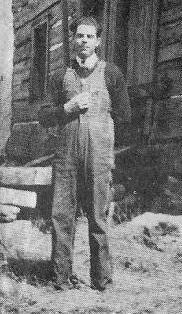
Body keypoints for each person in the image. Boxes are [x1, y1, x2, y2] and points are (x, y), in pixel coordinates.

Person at [39, 16, 131, 291]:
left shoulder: (111, 73)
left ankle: (101, 280)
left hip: (99, 158)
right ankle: (61, 278)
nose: (84, 41)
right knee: (62, 216)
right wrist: (66, 109)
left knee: (98, 218)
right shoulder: (59, 77)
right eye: (80, 36)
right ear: (73, 40)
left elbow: (125, 115)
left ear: (98, 42)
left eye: (90, 37)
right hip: (66, 158)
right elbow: (44, 116)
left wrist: (104, 136)